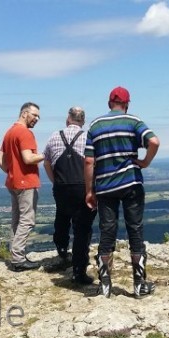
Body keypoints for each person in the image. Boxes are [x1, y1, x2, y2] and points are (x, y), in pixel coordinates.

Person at [84, 86, 160, 299]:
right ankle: (138, 285)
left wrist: (89, 190)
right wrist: (145, 161)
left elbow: (89, 160)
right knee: (135, 229)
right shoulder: (133, 121)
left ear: (109, 103)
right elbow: (153, 141)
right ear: (127, 104)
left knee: (107, 231)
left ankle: (105, 286)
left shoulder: (95, 125)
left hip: (106, 186)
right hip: (131, 183)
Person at [43, 106, 96, 284]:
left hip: (61, 185)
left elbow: (46, 162)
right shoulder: (88, 137)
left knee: (62, 217)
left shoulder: (54, 136)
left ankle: (62, 249)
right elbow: (92, 163)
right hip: (82, 186)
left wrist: (55, 181)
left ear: (68, 119)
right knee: (82, 229)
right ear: (82, 121)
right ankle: (79, 270)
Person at [0, 102, 45, 272]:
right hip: (26, 181)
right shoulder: (25, 133)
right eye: (34, 115)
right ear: (24, 113)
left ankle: (16, 255)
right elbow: (28, 158)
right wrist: (46, 155)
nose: (37, 119)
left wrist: (12, 171)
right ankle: (18, 258)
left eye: (38, 116)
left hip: (13, 182)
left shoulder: (10, 132)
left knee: (17, 220)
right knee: (27, 220)